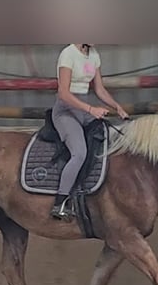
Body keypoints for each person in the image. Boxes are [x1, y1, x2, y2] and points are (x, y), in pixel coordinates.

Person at [49, 44, 129, 220]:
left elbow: (99, 89)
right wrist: (91, 109)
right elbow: (63, 92)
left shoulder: (94, 55)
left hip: (84, 109)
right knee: (79, 152)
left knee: (108, 138)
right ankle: (60, 202)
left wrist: (116, 106)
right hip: (66, 110)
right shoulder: (68, 54)